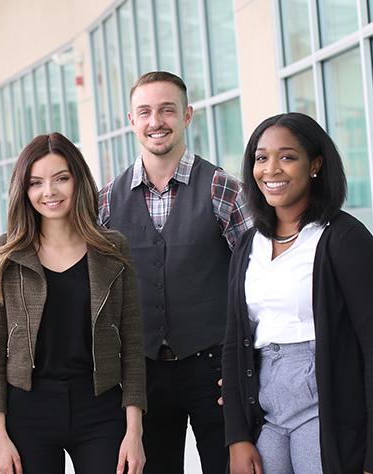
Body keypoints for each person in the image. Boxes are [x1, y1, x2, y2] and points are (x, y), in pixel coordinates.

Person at [221, 112, 373, 474]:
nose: (271, 169)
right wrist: (237, 436)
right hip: (267, 411)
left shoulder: (345, 240)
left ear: (315, 165)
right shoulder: (248, 244)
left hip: (326, 408)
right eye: (261, 157)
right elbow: (232, 341)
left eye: (287, 157)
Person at [98, 71, 251, 473]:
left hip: (214, 367)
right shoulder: (106, 202)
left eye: (167, 110)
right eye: (145, 112)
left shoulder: (224, 189)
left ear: (187, 116)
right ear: (131, 120)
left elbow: (256, 282)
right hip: (142, 372)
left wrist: (245, 368)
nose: (156, 121)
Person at [0, 133, 147, 474]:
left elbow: (132, 346)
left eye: (61, 178)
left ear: (78, 180)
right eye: (36, 182)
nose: (50, 192)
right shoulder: (4, 254)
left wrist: (134, 431)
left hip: (99, 406)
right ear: (24, 190)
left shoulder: (112, 249)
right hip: (29, 409)